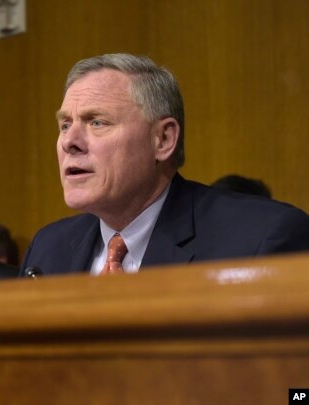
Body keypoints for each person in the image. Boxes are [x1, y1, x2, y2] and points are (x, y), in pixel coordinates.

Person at [22, 53, 309, 277]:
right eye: (65, 124)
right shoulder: (49, 248)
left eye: (97, 122)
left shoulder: (259, 239)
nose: (69, 142)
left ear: (163, 139)